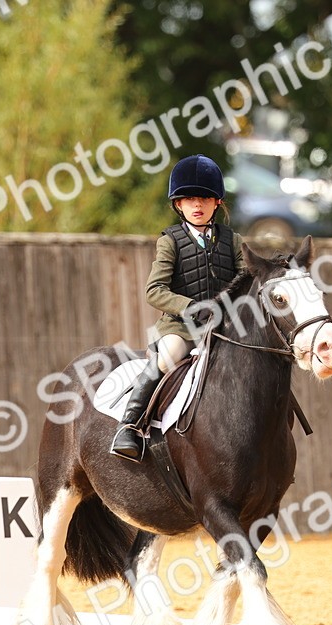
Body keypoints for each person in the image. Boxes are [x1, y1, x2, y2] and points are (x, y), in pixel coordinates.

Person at [110, 153, 246, 461]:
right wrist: (191, 307)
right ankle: (129, 425)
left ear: (217, 202)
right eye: (190, 199)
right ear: (179, 205)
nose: (197, 205)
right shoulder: (170, 241)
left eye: (204, 198)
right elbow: (154, 290)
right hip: (181, 327)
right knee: (169, 355)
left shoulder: (232, 241)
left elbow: (245, 281)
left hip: (223, 327)